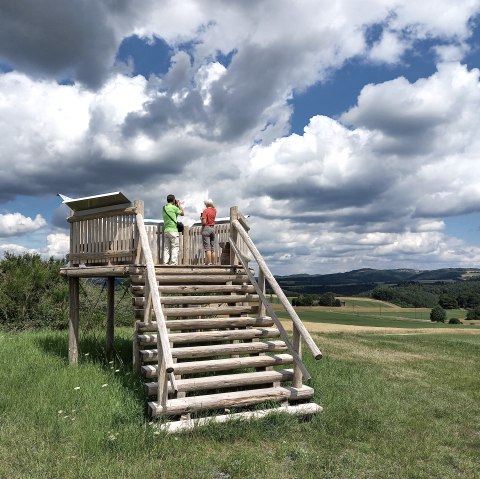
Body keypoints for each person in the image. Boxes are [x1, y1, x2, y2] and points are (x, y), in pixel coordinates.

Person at [162, 194, 184, 265]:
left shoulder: (164, 208)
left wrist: (175, 204)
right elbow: (182, 213)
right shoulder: (174, 208)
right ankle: (173, 263)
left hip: (166, 230)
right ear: (173, 200)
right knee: (175, 247)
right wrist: (179, 205)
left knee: (166, 248)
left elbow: (173, 214)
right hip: (173, 230)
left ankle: (165, 262)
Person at [201, 198, 217, 265]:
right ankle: (213, 263)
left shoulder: (205, 211)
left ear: (206, 204)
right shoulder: (214, 210)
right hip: (212, 228)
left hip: (206, 228)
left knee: (207, 247)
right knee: (212, 247)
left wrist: (201, 219)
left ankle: (209, 262)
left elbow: (204, 222)